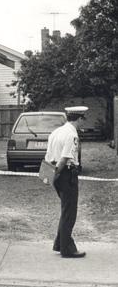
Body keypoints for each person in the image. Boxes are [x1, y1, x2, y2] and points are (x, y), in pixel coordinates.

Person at [45, 106, 88, 258]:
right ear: (79, 118)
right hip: (66, 174)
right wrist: (59, 173)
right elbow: (64, 158)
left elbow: (48, 157)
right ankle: (67, 249)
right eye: (84, 118)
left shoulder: (56, 132)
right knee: (69, 213)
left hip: (55, 173)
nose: (84, 122)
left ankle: (59, 244)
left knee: (66, 210)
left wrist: (49, 176)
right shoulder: (72, 134)